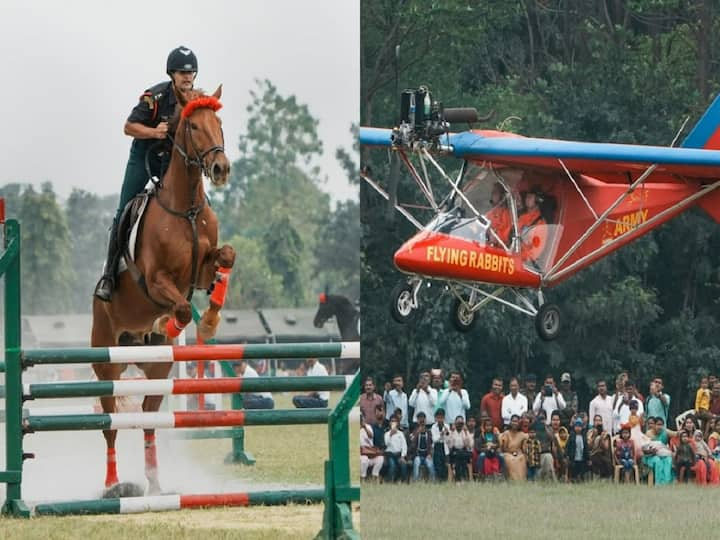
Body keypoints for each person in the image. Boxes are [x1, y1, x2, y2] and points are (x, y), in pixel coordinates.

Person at [94, 45, 199, 301]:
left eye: (191, 73)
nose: (187, 77)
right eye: (181, 72)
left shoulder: (196, 99)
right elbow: (128, 127)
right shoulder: (155, 97)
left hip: (172, 163)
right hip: (144, 157)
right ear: (171, 74)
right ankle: (109, 275)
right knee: (123, 211)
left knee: (197, 205)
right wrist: (154, 132)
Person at [516, 185, 547, 262]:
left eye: (530, 197)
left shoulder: (541, 224)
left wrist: (519, 257)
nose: (527, 199)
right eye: (527, 197)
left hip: (524, 262)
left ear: (537, 200)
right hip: (513, 254)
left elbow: (535, 252)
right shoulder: (521, 217)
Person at [499, 414, 528, 481]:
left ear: (519, 423)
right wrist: (512, 453)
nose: (514, 423)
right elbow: (504, 448)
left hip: (519, 453)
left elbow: (524, 447)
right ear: (510, 422)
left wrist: (518, 453)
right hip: (508, 453)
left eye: (516, 421)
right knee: (511, 459)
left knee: (522, 458)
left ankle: (521, 480)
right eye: (513, 421)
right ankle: (512, 480)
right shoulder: (506, 433)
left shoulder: (521, 434)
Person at [408, 412, 435, 481]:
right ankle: (415, 481)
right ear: (417, 421)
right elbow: (411, 444)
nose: (422, 422)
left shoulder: (429, 432)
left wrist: (430, 454)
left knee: (430, 465)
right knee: (416, 464)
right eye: (420, 420)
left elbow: (432, 444)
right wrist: (417, 433)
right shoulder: (414, 432)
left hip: (427, 455)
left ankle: (433, 481)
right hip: (417, 455)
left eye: (423, 420)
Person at [446, 415, 473, 482]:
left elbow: (469, 445)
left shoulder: (465, 432)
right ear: (455, 423)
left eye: (461, 423)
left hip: (463, 451)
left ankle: (461, 478)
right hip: (454, 451)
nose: (459, 425)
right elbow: (450, 446)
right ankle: (459, 479)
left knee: (462, 456)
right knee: (459, 456)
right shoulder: (452, 432)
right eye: (458, 423)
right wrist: (452, 432)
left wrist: (466, 432)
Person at [383, 415, 409, 482]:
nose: (393, 423)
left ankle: (404, 481)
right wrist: (391, 434)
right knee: (392, 464)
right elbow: (386, 444)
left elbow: (404, 446)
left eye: (395, 421)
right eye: (392, 421)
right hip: (389, 455)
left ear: (397, 423)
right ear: (389, 423)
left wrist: (403, 456)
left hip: (398, 455)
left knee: (403, 464)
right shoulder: (387, 434)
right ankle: (390, 481)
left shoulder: (400, 434)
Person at [485, 182, 511, 246]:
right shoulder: (491, 212)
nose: (492, 194)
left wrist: (493, 234)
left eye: (495, 192)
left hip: (498, 248)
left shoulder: (507, 214)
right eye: (492, 192)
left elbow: (505, 236)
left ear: (502, 196)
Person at [360, 414, 384, 482]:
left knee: (380, 458)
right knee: (364, 459)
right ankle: (363, 478)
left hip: (370, 451)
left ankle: (374, 477)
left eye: (362, 418)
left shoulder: (368, 427)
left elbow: (371, 436)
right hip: (361, 453)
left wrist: (364, 427)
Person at [430, 408, 450, 482]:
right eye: (438, 418)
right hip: (437, 447)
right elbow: (434, 440)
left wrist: (447, 433)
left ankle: (445, 480)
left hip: (444, 447)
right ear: (435, 418)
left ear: (444, 418)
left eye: (441, 418)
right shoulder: (433, 427)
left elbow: (448, 440)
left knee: (444, 464)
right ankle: (439, 480)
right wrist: (441, 435)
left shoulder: (447, 426)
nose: (440, 420)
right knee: (438, 464)